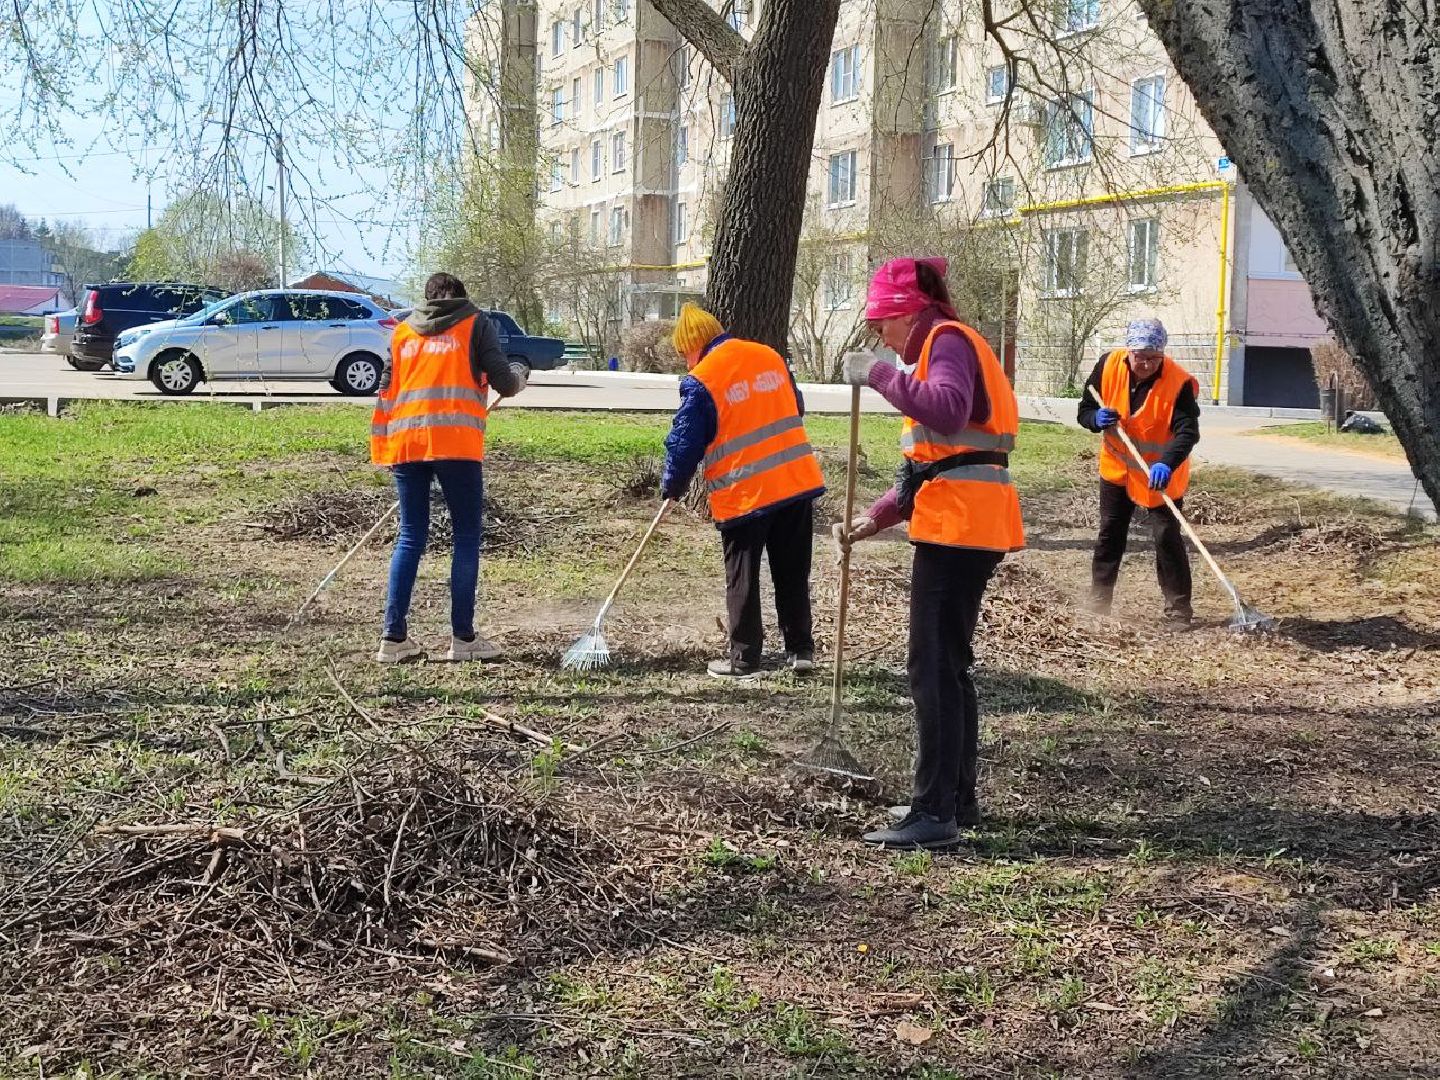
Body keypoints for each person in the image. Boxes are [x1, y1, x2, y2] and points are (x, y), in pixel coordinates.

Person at [835, 257, 1025, 851]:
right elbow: (935, 459)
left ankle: (934, 810)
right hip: (964, 519)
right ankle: (957, 798)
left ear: (909, 313)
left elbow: (944, 408)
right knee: (949, 667)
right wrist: (877, 516)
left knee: (932, 668)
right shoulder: (944, 345)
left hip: (960, 527)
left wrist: (879, 376)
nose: (880, 337)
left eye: (882, 324)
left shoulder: (945, 339)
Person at [660, 302, 826, 679]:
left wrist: (673, 485)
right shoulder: (768, 356)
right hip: (795, 482)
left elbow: (684, 442)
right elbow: (795, 406)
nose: (685, 361)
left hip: (745, 493)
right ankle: (800, 650)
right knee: (792, 572)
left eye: (683, 352)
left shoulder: (703, 378)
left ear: (693, 345)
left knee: (743, 576)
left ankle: (745, 658)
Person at [369, 272, 528, 662]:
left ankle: (393, 639)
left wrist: (388, 446)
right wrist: (520, 380)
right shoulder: (475, 324)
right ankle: (463, 639)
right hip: (456, 445)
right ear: (461, 296)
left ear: (427, 299)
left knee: (410, 537)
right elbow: (505, 383)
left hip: (408, 443)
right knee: (466, 538)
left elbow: (386, 389)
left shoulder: (403, 333)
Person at [1076, 318, 1200, 626]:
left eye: (1153, 358)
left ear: (1162, 355)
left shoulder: (1179, 383)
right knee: (1110, 535)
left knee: (1166, 537)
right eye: (1139, 357)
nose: (1144, 364)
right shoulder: (1108, 365)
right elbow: (1084, 410)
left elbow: (1188, 432)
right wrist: (1095, 419)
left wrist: (1167, 463)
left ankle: (1179, 612)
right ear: (1128, 351)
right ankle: (1099, 600)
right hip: (1118, 466)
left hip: (1160, 474)